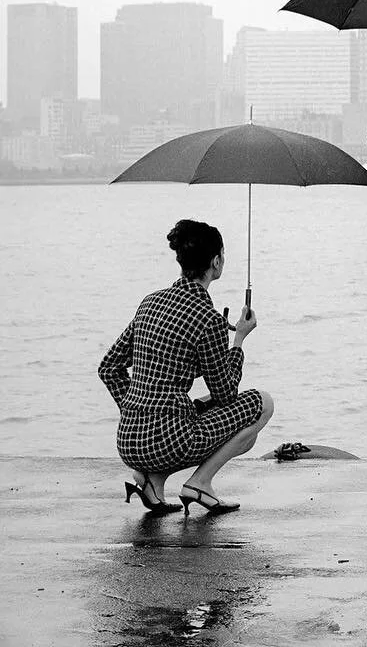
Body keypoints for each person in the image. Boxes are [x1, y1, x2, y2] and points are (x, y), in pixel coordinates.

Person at [98, 219, 274, 515]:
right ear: (216, 262)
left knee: (202, 407)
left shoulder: (150, 302)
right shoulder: (209, 318)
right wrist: (239, 339)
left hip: (128, 440)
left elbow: (108, 368)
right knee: (262, 404)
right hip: (171, 439)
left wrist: (133, 408)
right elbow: (227, 394)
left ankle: (153, 482)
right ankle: (199, 483)